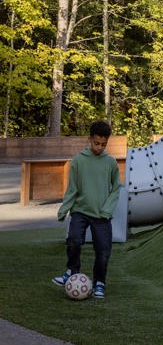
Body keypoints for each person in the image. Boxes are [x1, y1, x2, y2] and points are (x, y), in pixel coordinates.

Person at [52, 120, 121, 300]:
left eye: (103, 144)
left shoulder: (111, 163)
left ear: (107, 142)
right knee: (74, 240)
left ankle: (99, 283)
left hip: (101, 215)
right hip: (80, 211)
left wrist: (107, 211)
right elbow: (72, 188)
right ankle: (72, 271)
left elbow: (116, 189)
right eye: (96, 143)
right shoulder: (78, 161)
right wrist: (64, 208)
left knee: (103, 251)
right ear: (90, 139)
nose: (99, 147)